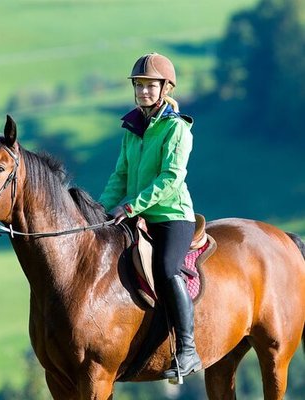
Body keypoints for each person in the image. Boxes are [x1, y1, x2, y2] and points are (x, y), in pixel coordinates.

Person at [98, 52, 202, 379]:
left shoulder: (177, 129)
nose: (143, 91)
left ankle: (187, 350)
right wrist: (99, 213)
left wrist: (130, 207)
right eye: (139, 85)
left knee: (167, 268)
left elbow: (170, 179)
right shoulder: (132, 128)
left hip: (172, 216)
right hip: (137, 214)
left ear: (165, 88)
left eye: (149, 85)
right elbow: (120, 175)